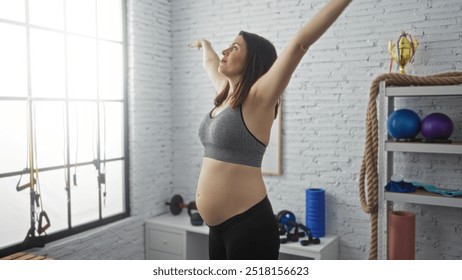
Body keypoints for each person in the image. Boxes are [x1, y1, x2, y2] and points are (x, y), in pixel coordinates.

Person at [190, 0, 352, 260]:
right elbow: (210, 63)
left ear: (253, 59)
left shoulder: (259, 98)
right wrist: (205, 45)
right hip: (217, 229)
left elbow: (301, 43)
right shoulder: (224, 95)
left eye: (234, 48)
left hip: (248, 227)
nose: (225, 51)